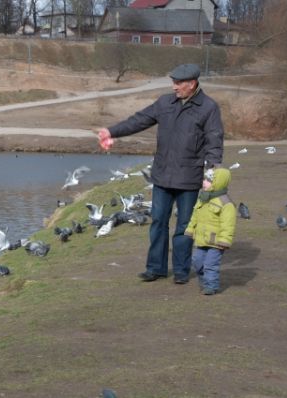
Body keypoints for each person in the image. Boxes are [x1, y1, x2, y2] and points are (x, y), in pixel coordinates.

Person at [98, 63, 224, 284]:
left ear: (192, 84)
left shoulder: (208, 108)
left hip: (189, 178)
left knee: (185, 227)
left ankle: (182, 271)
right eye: (173, 83)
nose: (174, 87)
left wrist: (211, 174)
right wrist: (112, 131)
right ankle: (156, 268)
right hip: (162, 176)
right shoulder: (165, 103)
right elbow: (139, 120)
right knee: (158, 222)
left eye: (178, 83)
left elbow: (214, 143)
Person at [184, 168, 236, 295]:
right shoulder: (203, 198)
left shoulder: (226, 204)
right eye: (204, 179)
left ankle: (211, 286)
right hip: (201, 239)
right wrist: (190, 229)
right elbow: (194, 216)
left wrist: (224, 240)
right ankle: (204, 282)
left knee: (210, 264)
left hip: (216, 242)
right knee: (197, 262)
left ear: (218, 183)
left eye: (208, 180)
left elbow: (228, 224)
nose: (204, 182)